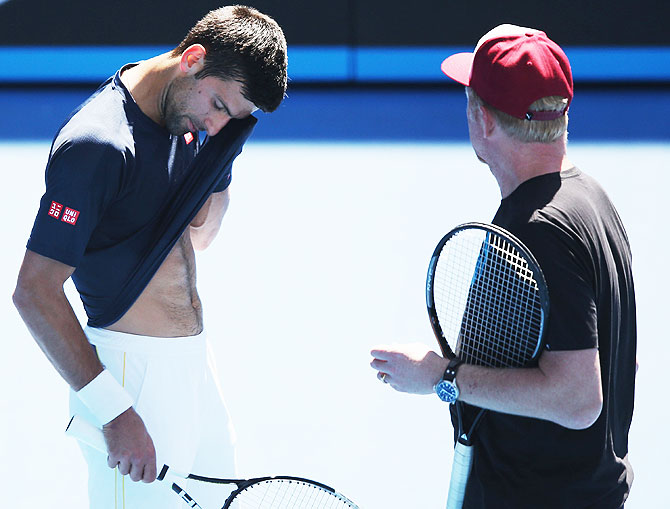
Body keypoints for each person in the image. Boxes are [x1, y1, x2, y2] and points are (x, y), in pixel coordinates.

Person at [12, 5, 287, 508]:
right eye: (221, 105)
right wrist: (114, 412)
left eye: (233, 118)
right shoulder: (96, 145)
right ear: (194, 60)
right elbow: (33, 292)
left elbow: (199, 239)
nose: (216, 122)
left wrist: (219, 162)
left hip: (195, 373)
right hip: (130, 381)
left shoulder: (185, 115)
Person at [370, 24, 636, 508]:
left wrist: (441, 377)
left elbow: (580, 400)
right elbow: (617, 356)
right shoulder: (592, 201)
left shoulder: (540, 231)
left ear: (485, 122)